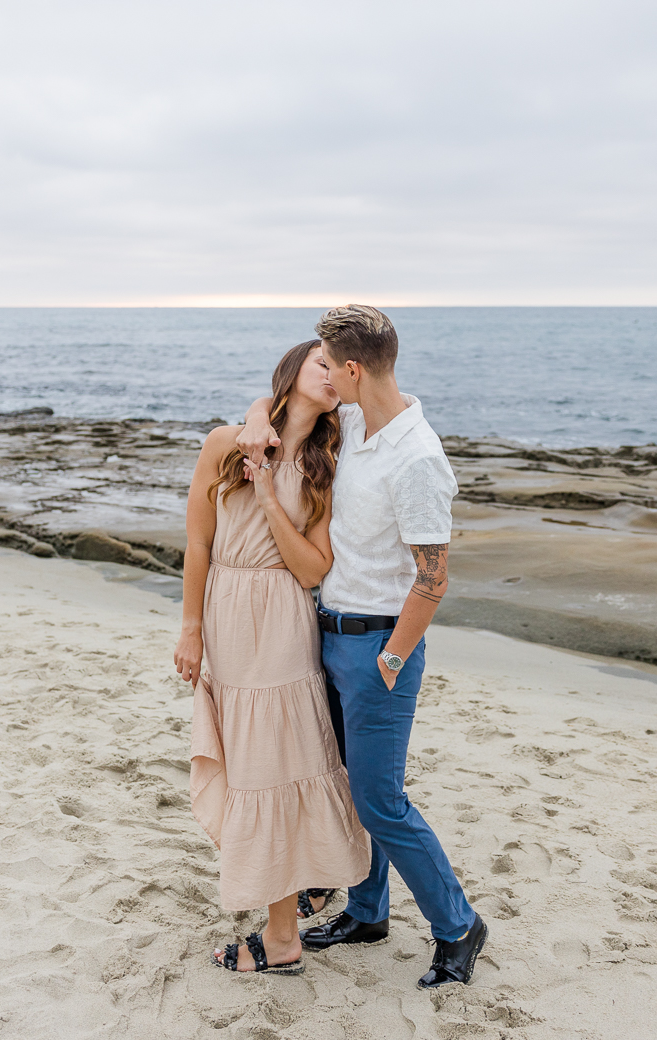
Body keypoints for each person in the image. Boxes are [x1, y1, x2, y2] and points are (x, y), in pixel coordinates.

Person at [238, 305, 488, 990]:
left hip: (381, 647)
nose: (325, 378)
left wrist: (390, 658)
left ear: (352, 370)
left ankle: (458, 924)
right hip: (329, 634)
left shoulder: (417, 459)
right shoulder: (354, 420)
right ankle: (369, 911)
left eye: (329, 365)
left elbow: (433, 580)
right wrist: (259, 415)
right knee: (352, 792)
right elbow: (280, 399)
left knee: (379, 800)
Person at [174, 339, 370, 975]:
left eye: (341, 368)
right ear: (291, 371)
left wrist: (266, 498)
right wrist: (190, 628)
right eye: (321, 362)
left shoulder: (325, 467)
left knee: (274, 767)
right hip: (227, 616)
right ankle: (296, 899)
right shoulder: (224, 443)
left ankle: (282, 937)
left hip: (283, 621)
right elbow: (199, 544)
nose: (333, 374)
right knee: (253, 764)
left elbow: (313, 569)